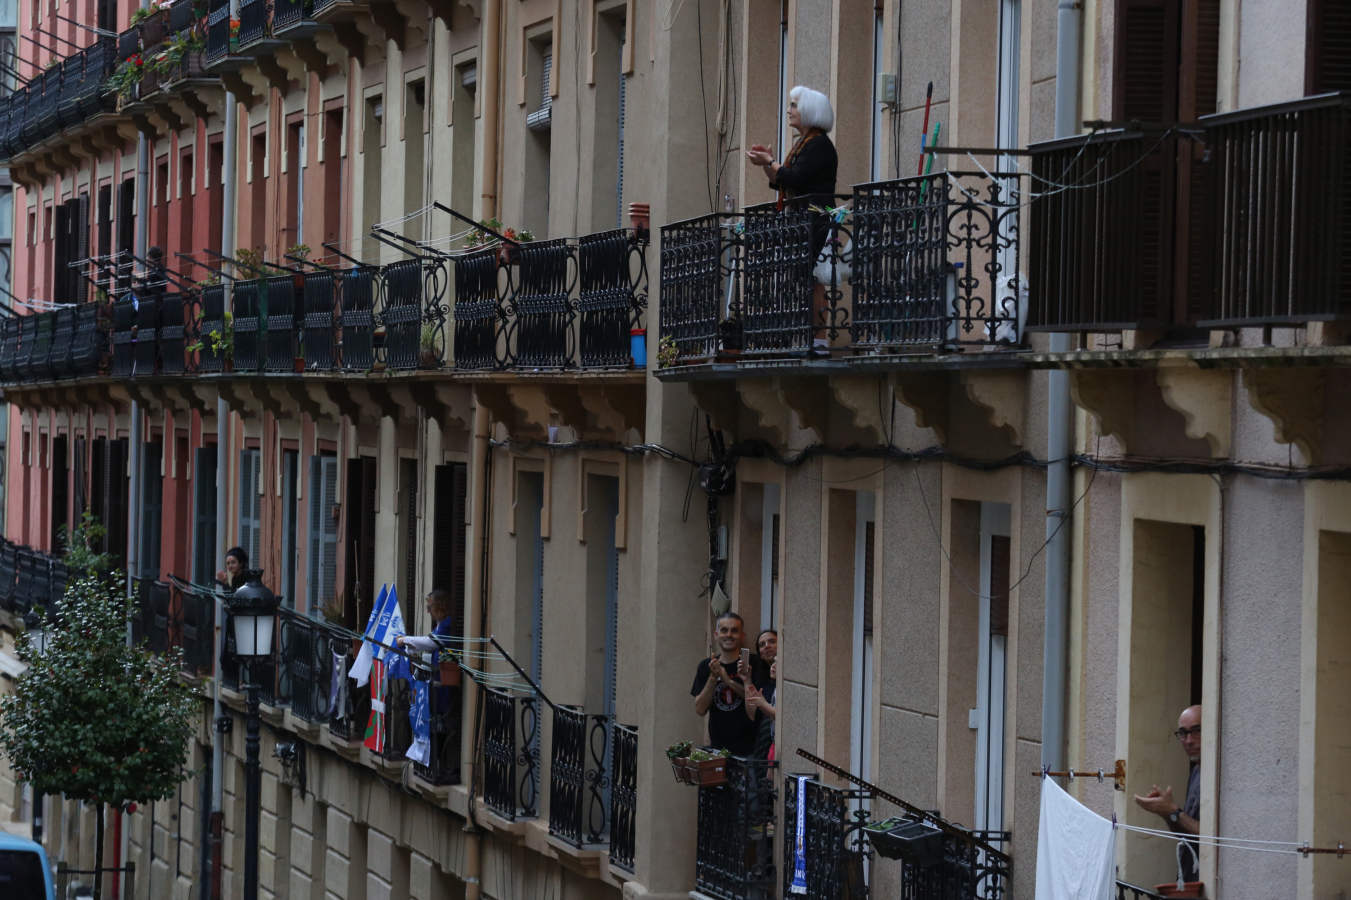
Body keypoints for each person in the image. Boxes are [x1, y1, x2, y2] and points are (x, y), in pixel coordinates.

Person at [746, 85, 839, 356]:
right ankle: (802, 335)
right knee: (802, 279)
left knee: (815, 279)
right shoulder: (803, 143)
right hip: (803, 221)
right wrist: (767, 165)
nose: (789, 110)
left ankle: (819, 341)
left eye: (794, 105)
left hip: (816, 221)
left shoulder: (819, 144)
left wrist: (772, 161)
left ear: (810, 110)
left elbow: (794, 178)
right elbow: (783, 180)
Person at [1134, 704, 1202, 882]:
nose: (1189, 740)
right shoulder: (1196, 770)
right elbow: (1186, 833)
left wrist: (1174, 811)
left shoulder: (1217, 773)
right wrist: (1166, 813)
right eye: (1183, 733)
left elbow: (1212, 836)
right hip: (1189, 880)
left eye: (1196, 730)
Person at [691, 612, 768, 757]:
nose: (729, 635)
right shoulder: (706, 666)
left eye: (734, 631)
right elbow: (700, 709)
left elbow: (758, 702)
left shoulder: (754, 663)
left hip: (751, 751)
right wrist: (713, 678)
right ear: (716, 634)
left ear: (742, 635)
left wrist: (727, 680)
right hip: (718, 751)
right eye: (724, 630)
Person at [396, 589, 457, 655]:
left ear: (440, 606)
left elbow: (431, 643)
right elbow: (426, 645)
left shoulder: (447, 623)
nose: (428, 611)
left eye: (430, 607)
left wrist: (404, 640)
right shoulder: (440, 624)